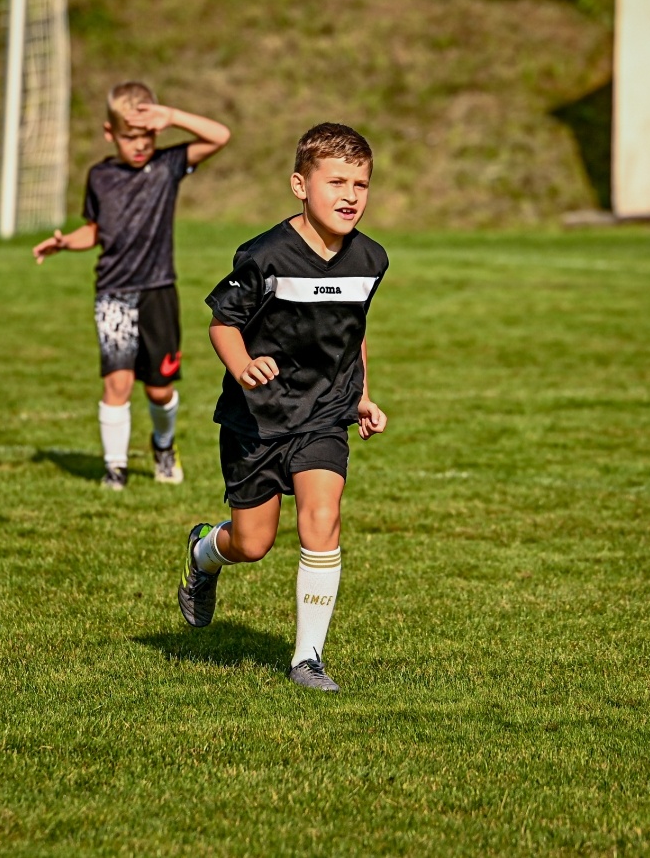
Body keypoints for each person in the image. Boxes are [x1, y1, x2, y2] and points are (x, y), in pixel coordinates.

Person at [177, 123, 390, 693]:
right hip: (259, 416)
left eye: (362, 184)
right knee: (253, 543)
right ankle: (203, 553)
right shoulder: (265, 254)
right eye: (337, 182)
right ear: (300, 185)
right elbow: (223, 324)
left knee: (322, 517)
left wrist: (363, 395)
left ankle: (308, 659)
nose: (350, 196)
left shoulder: (371, 258)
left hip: (325, 411)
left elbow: (353, 333)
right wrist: (243, 365)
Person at [32, 82, 230, 489]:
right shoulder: (100, 177)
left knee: (159, 391)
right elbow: (95, 231)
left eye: (146, 136)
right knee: (117, 382)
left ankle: (163, 446)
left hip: (158, 291)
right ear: (110, 133)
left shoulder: (168, 165)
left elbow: (220, 135)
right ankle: (115, 469)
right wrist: (67, 242)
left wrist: (172, 116)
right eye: (129, 137)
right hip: (113, 293)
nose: (139, 145)